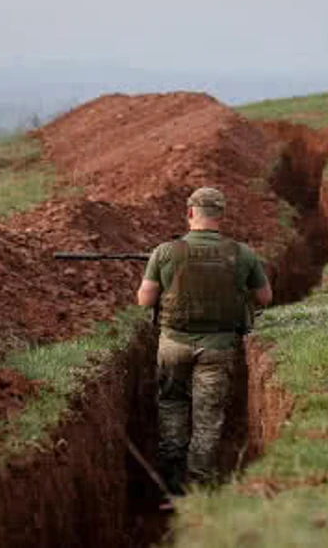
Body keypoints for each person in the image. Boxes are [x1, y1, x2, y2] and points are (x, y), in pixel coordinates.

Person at [136, 186, 273, 502]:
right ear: (221, 216)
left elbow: (145, 300)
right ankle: (198, 489)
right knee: (207, 419)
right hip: (218, 348)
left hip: (172, 345)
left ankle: (172, 483)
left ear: (189, 213)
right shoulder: (242, 254)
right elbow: (265, 297)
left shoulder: (165, 252)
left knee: (172, 406)